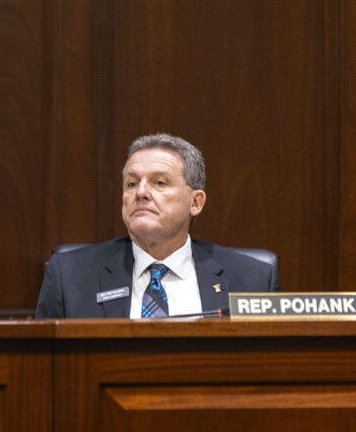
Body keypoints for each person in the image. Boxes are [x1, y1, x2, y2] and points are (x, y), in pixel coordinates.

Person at [35, 133, 280, 319]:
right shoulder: (70, 276)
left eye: (159, 182)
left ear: (196, 202)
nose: (141, 192)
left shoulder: (253, 281)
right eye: (131, 184)